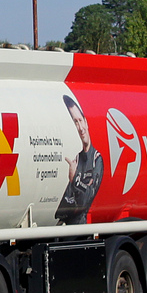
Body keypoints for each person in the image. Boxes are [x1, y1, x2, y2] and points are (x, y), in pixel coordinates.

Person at [56, 95, 104, 225]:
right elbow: (66, 202)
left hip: (80, 225)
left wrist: (75, 179)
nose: (80, 127)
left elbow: (88, 197)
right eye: (75, 122)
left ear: (86, 122)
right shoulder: (76, 159)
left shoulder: (96, 159)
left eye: (80, 120)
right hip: (69, 224)